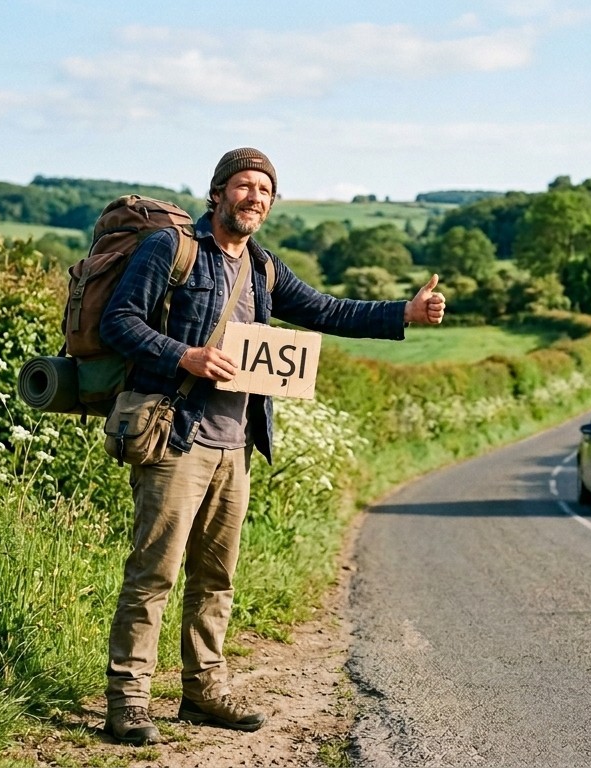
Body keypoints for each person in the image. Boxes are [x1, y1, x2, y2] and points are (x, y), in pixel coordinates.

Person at [98, 147, 446, 745]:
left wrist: (405, 312)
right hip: (174, 436)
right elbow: (119, 321)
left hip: (236, 446)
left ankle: (203, 692)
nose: (253, 196)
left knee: (217, 577)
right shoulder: (173, 250)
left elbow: (327, 309)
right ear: (218, 193)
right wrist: (186, 356)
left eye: (264, 188)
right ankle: (127, 702)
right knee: (154, 573)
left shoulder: (263, 268)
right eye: (242, 185)